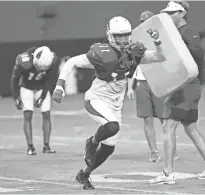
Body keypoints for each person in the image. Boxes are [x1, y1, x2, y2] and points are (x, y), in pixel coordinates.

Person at [52, 16, 166, 190]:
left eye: (125, 35)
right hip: (96, 98)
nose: (122, 40)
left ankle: (84, 174)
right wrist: (60, 86)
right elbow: (72, 62)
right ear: (110, 35)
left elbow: (160, 57)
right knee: (112, 126)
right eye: (118, 36)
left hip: (115, 104)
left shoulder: (134, 52)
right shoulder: (101, 53)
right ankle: (91, 142)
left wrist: (157, 41)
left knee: (109, 148)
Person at [149, 0, 205, 185]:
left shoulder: (187, 31)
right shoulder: (174, 32)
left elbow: (198, 54)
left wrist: (178, 46)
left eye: (172, 13)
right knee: (191, 129)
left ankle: (167, 173)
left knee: (167, 128)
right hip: (186, 86)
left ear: (181, 14)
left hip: (186, 86)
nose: (169, 16)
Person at [127, 11, 179, 163]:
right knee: (147, 119)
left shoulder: (162, 36)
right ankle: (154, 151)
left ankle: (172, 149)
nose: (143, 23)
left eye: (146, 20)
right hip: (141, 83)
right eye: (141, 20)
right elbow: (132, 65)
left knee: (165, 119)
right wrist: (130, 87)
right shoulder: (134, 39)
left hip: (158, 81)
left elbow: (167, 59)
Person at [11, 46, 59, 155]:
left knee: (46, 114)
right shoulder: (24, 61)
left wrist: (42, 97)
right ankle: (30, 146)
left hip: (42, 87)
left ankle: (46, 146)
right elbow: (14, 78)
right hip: (26, 88)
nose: (41, 70)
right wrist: (16, 97)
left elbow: (50, 80)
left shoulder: (52, 60)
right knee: (28, 114)